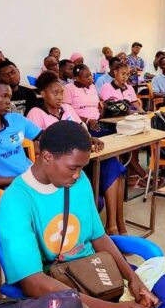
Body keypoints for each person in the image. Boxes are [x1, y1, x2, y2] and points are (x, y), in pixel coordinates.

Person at [0, 121, 165, 308]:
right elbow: (32, 282)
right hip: (58, 284)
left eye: (82, 167)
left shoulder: (78, 181)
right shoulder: (16, 200)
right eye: (72, 168)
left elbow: (98, 236)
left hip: (98, 268)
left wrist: (132, 278)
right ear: (47, 157)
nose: (77, 175)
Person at [29, 72, 131, 234]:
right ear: (43, 94)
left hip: (81, 161)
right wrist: (64, 148)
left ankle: (114, 224)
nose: (59, 97)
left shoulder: (67, 108)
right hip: (60, 167)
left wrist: (91, 139)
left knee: (113, 166)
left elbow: (81, 130)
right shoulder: (36, 113)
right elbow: (34, 147)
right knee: (112, 168)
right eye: (55, 93)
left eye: (61, 92)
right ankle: (115, 226)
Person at [64, 64, 103, 134]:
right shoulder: (69, 88)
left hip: (97, 121)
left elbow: (97, 106)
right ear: (77, 78)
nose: (90, 78)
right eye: (86, 76)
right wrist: (87, 121)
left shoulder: (93, 87)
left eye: (90, 75)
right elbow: (67, 112)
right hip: (80, 124)